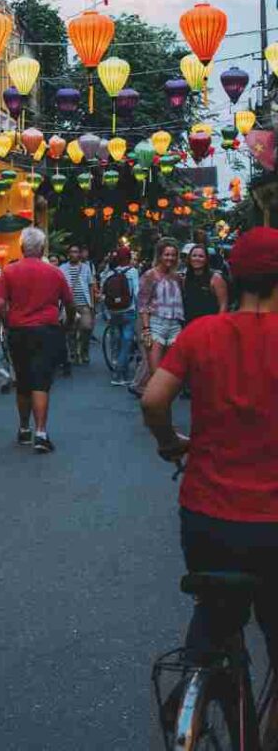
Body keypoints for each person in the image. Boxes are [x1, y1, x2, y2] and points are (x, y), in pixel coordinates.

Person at [142, 227, 278, 748]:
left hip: (209, 516)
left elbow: (154, 400)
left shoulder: (202, 334)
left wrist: (170, 443)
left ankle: (202, 684)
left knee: (216, 612)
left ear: (232, 278)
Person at [0, 227, 74, 453]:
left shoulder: (9, 271)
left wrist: (7, 322)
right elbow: (69, 304)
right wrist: (66, 325)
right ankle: (41, 433)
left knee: (23, 381)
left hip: (19, 330)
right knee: (41, 381)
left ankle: (23, 428)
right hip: (46, 331)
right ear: (42, 248)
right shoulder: (55, 272)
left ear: (21, 248)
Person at [138, 239, 185, 377]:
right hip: (156, 324)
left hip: (175, 326)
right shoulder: (150, 275)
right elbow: (143, 304)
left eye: (173, 255)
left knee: (172, 373)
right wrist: (146, 329)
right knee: (155, 372)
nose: (170, 258)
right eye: (166, 254)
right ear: (159, 256)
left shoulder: (177, 277)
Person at [100, 246, 140, 386]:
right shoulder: (133, 272)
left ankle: (116, 364)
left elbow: (103, 292)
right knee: (126, 341)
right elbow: (136, 292)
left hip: (113, 311)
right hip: (128, 310)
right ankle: (119, 372)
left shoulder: (108, 272)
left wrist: (105, 310)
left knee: (115, 339)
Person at [60, 243, 96, 366]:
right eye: (71, 252)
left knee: (86, 327)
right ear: (68, 254)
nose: (74, 254)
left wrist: (92, 303)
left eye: (76, 252)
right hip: (69, 304)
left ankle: (84, 350)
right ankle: (74, 352)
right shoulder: (62, 268)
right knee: (71, 330)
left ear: (79, 254)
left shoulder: (86, 267)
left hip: (84, 303)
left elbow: (91, 285)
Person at [182, 243, 229, 325]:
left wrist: (219, 324)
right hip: (190, 324)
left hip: (210, 324)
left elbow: (223, 305)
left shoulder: (216, 278)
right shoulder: (185, 278)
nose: (197, 259)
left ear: (206, 259)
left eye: (201, 256)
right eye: (194, 256)